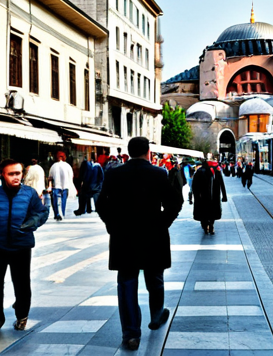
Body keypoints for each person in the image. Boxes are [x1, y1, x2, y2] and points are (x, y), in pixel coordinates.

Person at [96, 137, 183, 351]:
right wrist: (163, 223)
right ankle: (156, 315)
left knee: (126, 284)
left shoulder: (114, 174)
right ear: (148, 152)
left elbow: (100, 204)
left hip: (124, 238)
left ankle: (131, 334)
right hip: (153, 236)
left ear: (129, 152)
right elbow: (175, 202)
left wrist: (112, 225)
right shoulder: (158, 173)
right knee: (155, 278)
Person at [0, 159, 49, 340]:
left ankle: (22, 314)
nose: (16, 177)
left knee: (22, 283)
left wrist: (33, 222)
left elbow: (43, 212)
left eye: (18, 173)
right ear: (2, 175)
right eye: (11, 174)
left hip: (21, 246)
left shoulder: (29, 194)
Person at [192, 158, 228, 235]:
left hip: (202, 197)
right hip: (214, 196)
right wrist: (224, 196)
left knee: (203, 212)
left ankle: (205, 226)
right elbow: (222, 184)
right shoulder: (217, 171)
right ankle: (211, 226)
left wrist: (195, 195)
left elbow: (194, 185)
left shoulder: (200, 171)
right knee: (213, 212)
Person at [48, 151, 73, 221]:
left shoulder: (54, 166)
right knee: (63, 200)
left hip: (56, 186)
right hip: (65, 186)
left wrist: (50, 185)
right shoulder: (68, 166)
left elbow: (50, 177)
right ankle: (62, 213)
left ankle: (57, 214)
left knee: (55, 200)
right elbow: (71, 176)